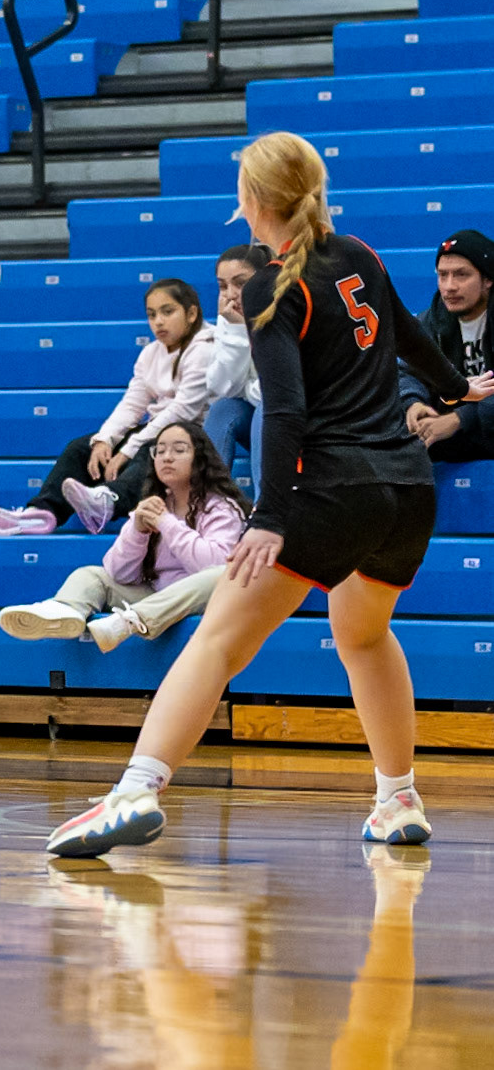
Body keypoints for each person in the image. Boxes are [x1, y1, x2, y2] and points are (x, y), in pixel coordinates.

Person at [44, 131, 494, 860]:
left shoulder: (270, 285)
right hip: (406, 490)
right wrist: (455, 388)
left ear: (252, 200)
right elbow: (411, 337)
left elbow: (283, 410)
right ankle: (398, 798)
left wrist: (271, 515)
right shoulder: (360, 254)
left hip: (332, 491)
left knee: (218, 639)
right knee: (363, 635)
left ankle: (134, 791)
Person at [0, 279, 214, 536]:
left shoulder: (204, 350)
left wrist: (128, 449)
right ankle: (41, 513)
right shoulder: (150, 353)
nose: (158, 321)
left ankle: (107, 501)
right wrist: (105, 440)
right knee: (81, 448)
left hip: (195, 435)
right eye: (152, 314)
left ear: (191, 313)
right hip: (158, 430)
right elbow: (132, 404)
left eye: (168, 312)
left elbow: (181, 411)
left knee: (151, 451)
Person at [0, 421, 247, 652]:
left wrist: (166, 523)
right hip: (155, 595)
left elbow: (211, 564)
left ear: (200, 459)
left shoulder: (221, 507)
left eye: (179, 450)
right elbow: (119, 573)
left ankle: (131, 621)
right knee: (92, 575)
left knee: (221, 575)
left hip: (200, 600)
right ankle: (66, 610)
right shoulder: (154, 504)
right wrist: (137, 531)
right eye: (160, 451)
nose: (167, 457)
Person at [400, 229, 494, 460]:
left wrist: (459, 419)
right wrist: (413, 404)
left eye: (461, 275)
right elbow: (406, 372)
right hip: (457, 434)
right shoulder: (431, 320)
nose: (449, 286)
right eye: (443, 275)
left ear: (488, 279)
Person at [204, 242, 271, 497]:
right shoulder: (229, 318)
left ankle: (265, 507)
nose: (230, 294)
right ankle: (209, 504)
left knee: (266, 410)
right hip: (265, 416)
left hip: (306, 423)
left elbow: (278, 391)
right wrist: (237, 330)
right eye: (223, 286)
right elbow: (222, 387)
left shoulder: (285, 309)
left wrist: (247, 389)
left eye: (241, 283)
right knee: (223, 410)